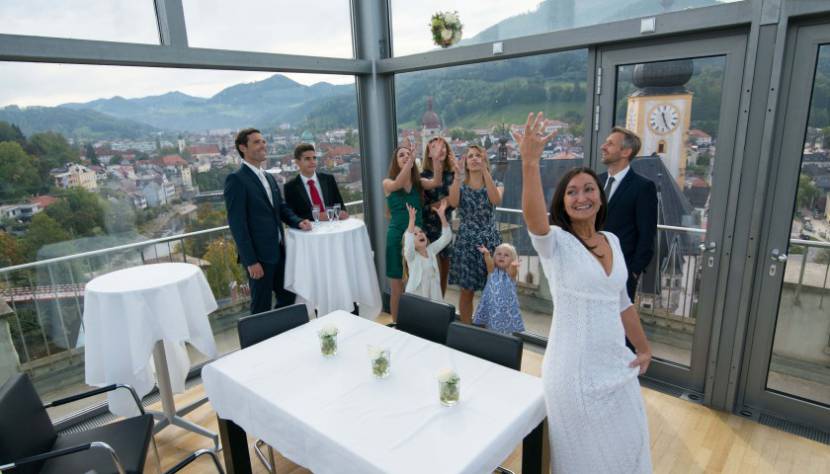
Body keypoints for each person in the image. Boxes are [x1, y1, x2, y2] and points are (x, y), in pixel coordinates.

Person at [517, 112, 653, 473]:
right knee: (587, 459)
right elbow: (533, 218)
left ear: (600, 196)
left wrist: (642, 347)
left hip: (614, 363)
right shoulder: (556, 243)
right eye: (572, 192)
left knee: (629, 445)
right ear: (562, 203)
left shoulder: (613, 240)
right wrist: (530, 163)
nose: (581, 197)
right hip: (573, 372)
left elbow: (622, 302)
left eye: (588, 189)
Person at [224, 128, 312, 315]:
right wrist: (250, 261)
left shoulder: (269, 176)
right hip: (259, 258)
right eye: (256, 142)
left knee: (288, 298)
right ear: (242, 148)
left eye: (263, 141)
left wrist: (298, 222)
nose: (263, 145)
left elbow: (280, 208)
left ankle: (282, 338)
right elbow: (237, 224)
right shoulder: (236, 179)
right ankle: (259, 343)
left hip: (279, 251)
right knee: (261, 307)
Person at [597, 127, 657, 302]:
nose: (603, 146)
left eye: (610, 143)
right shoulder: (595, 181)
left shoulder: (643, 187)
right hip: (590, 267)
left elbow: (647, 235)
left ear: (626, 152)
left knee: (617, 324)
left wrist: (634, 271)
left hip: (621, 272)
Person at [448, 144, 502, 324]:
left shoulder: (496, 185)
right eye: (470, 156)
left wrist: (486, 170)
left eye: (478, 155)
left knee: (491, 290)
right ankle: (466, 330)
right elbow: (453, 202)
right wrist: (456, 178)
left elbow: (496, 200)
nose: (474, 158)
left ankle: (489, 332)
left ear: (484, 160)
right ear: (466, 163)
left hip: (490, 242)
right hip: (467, 243)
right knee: (466, 291)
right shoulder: (460, 187)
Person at [383, 146, 422, 321]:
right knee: (397, 286)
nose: (406, 157)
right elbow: (398, 183)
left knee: (418, 282)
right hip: (396, 238)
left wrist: (436, 160)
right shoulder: (387, 183)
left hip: (416, 238)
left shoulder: (418, 183)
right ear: (395, 162)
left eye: (408, 154)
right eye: (402, 155)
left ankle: (418, 324)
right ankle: (397, 325)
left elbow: (436, 181)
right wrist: (411, 160)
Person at [420, 137, 455, 295]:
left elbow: (456, 201)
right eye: (434, 147)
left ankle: (440, 307)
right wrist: (442, 203)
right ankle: (429, 307)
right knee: (429, 272)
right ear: (428, 153)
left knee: (444, 273)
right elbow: (421, 207)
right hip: (427, 229)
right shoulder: (423, 176)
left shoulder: (453, 175)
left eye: (443, 147)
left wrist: (447, 202)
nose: (439, 149)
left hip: (445, 228)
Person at [284, 143, 348, 222]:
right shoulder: (290, 187)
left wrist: (342, 213)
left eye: (314, 158)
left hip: (332, 228)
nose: (312, 162)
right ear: (297, 162)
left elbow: (340, 206)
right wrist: (317, 216)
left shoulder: (328, 179)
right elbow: (292, 216)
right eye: (307, 159)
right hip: (309, 231)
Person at [403, 201, 452, 301]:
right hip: (417, 301)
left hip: (434, 297)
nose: (420, 234)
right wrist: (411, 221)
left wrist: (442, 216)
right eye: (415, 234)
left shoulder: (431, 250)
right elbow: (408, 244)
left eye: (421, 232)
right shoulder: (411, 256)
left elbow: (447, 237)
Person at [472, 243, 524, 335]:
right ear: (494, 257)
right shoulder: (492, 271)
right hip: (491, 306)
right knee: (489, 327)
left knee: (505, 331)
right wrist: (487, 254)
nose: (502, 257)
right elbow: (489, 263)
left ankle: (504, 342)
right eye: (499, 254)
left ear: (512, 259)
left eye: (506, 255)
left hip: (506, 310)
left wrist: (514, 266)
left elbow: (513, 273)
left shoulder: (510, 274)